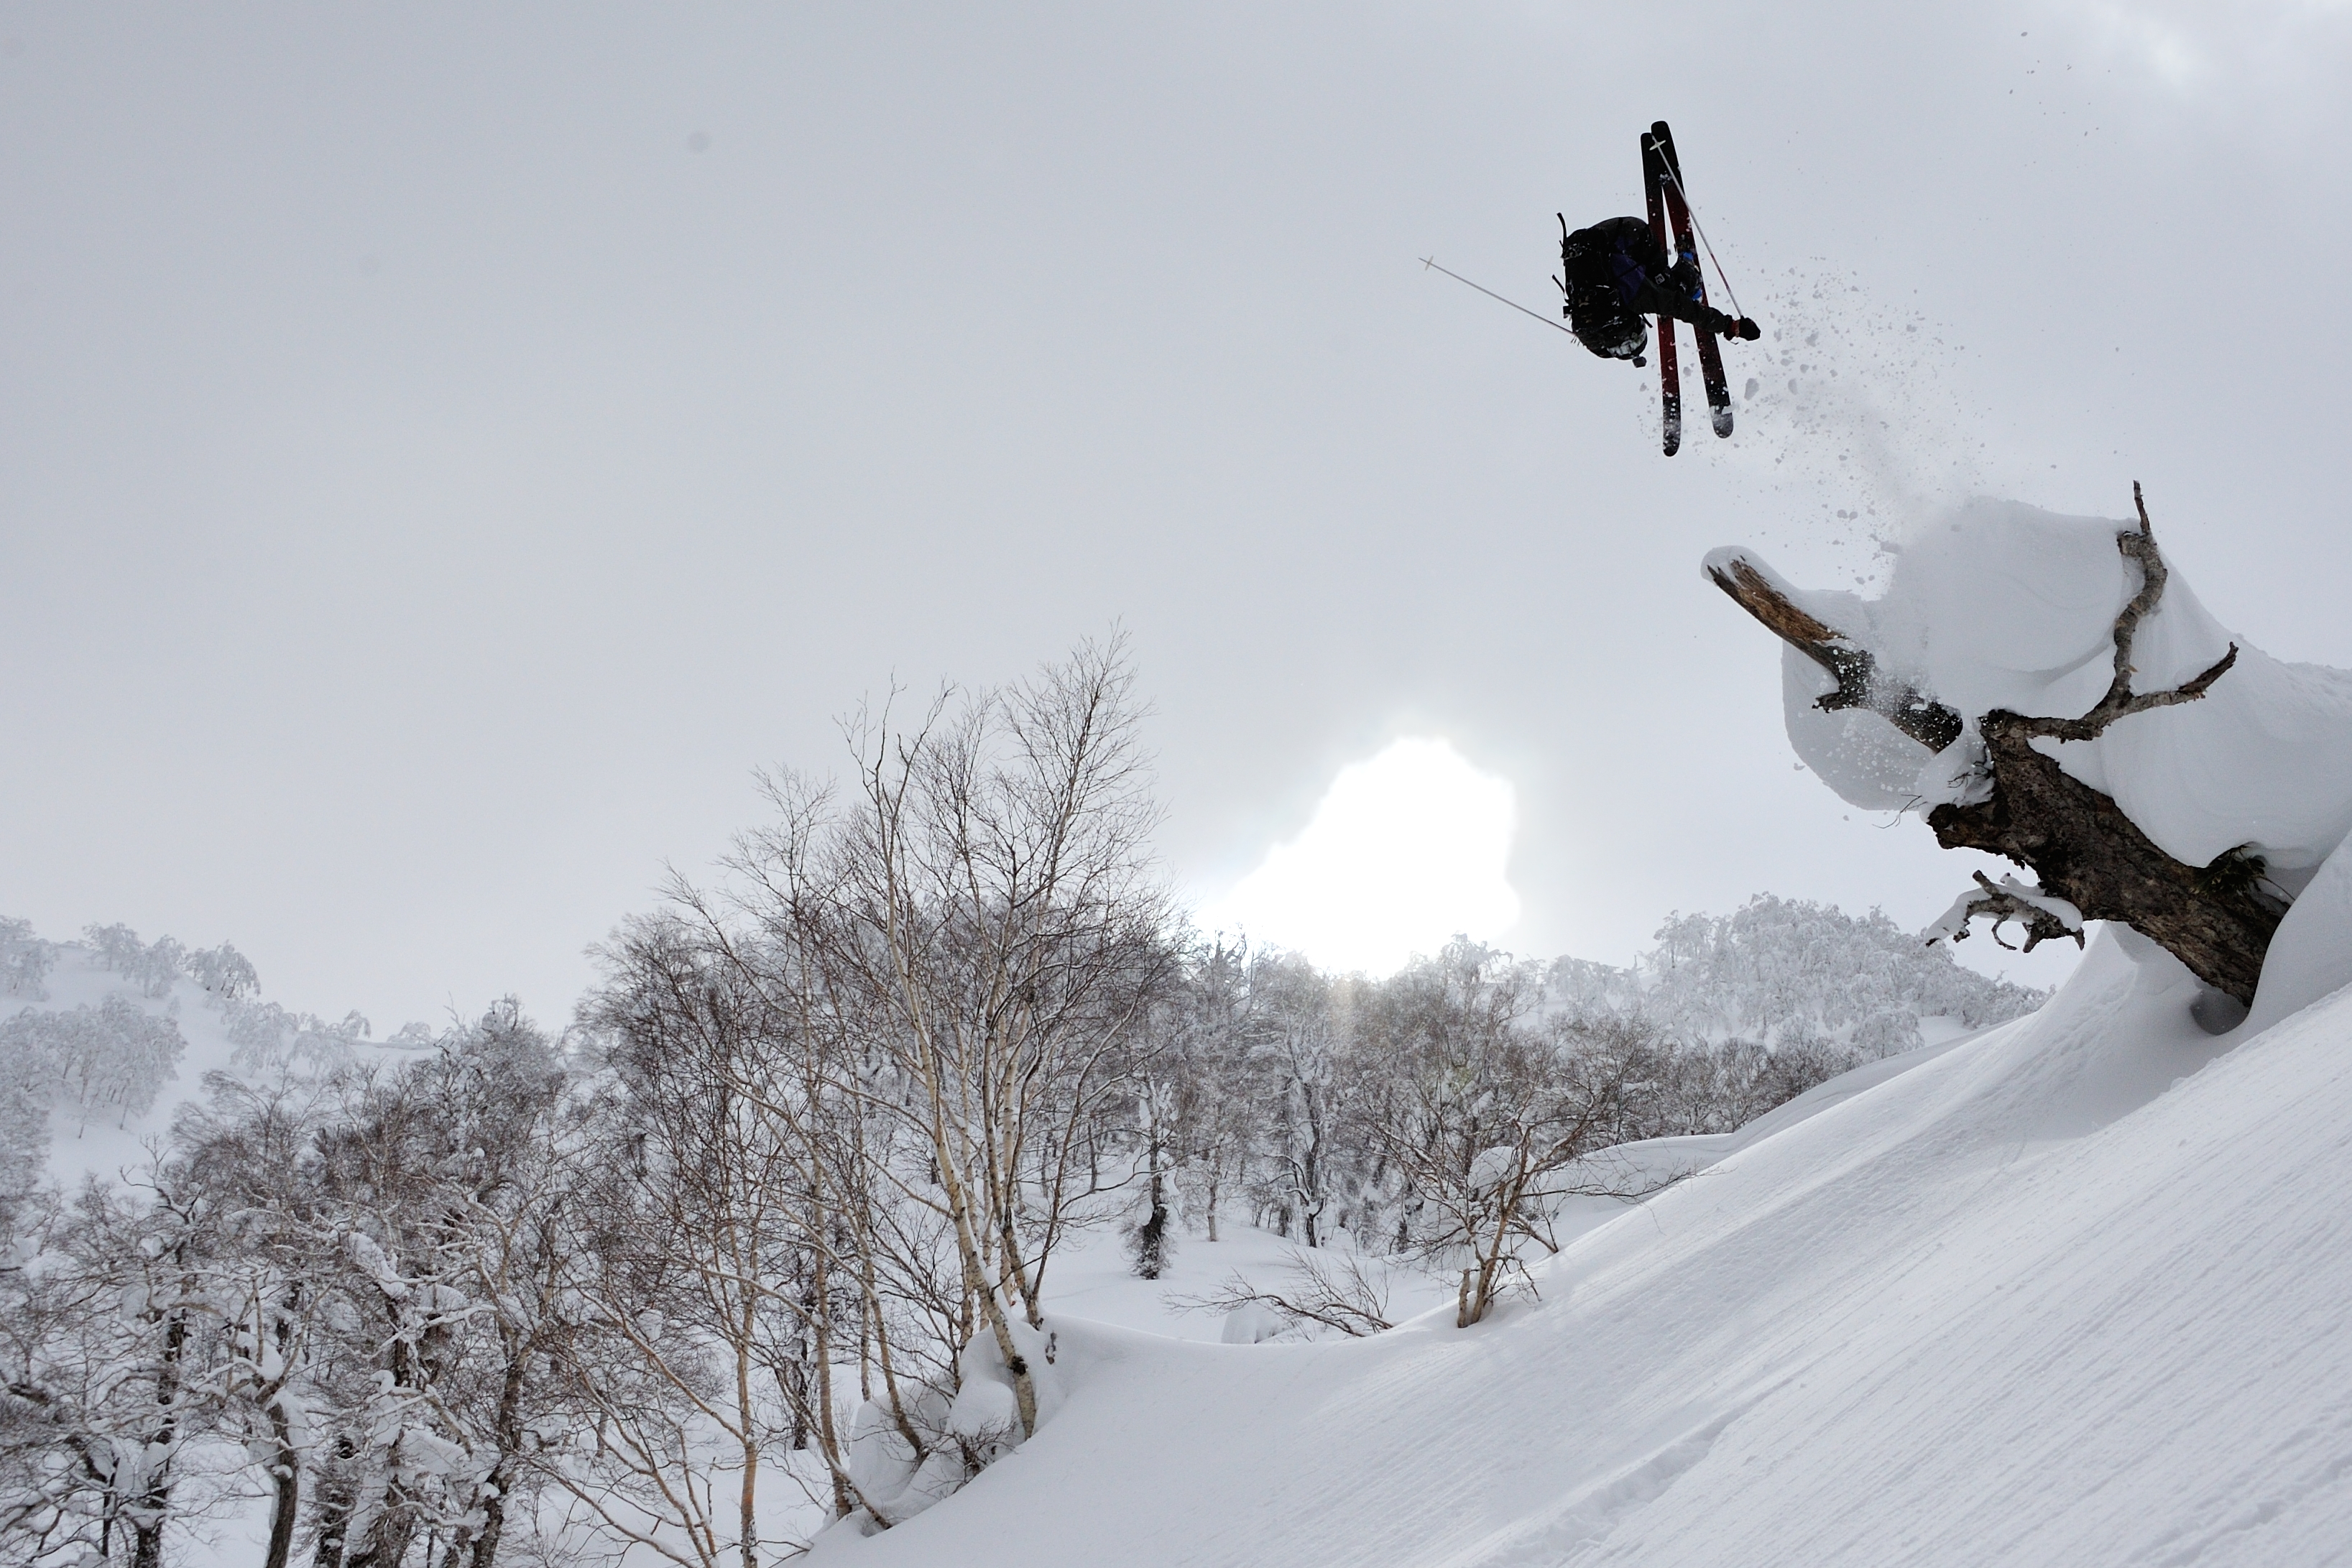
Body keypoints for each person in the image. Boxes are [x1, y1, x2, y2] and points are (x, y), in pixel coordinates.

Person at [1559, 216, 1759, 362]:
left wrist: (1730, 326)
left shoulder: (1634, 298)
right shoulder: (1586, 328)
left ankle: (1688, 268)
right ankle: (1656, 286)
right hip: (1594, 241)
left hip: (1633, 235)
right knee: (1653, 292)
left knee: (1669, 290)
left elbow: (1682, 308)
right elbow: (1599, 351)